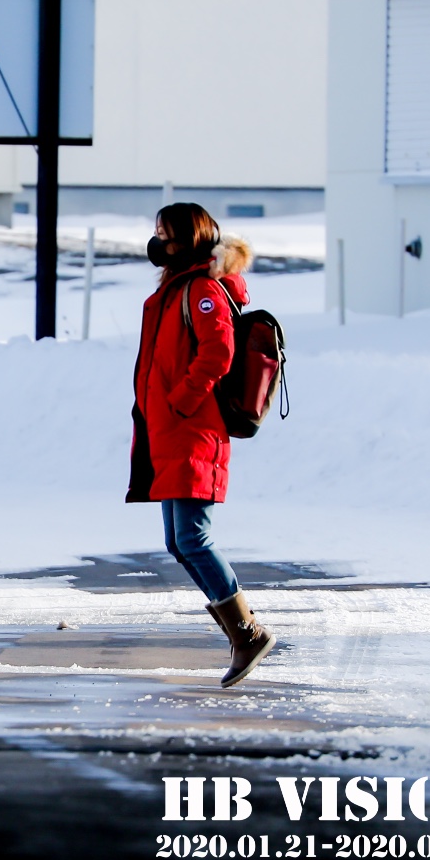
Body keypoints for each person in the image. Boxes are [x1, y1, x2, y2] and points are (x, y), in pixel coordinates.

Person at [127, 203, 274, 688]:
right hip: (170, 433)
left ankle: (247, 633)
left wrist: (181, 401)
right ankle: (242, 633)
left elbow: (219, 351)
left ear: (188, 241)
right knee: (178, 540)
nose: (157, 244)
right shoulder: (175, 290)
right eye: (156, 234)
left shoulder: (201, 290)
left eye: (166, 236)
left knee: (192, 538)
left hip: (192, 430)